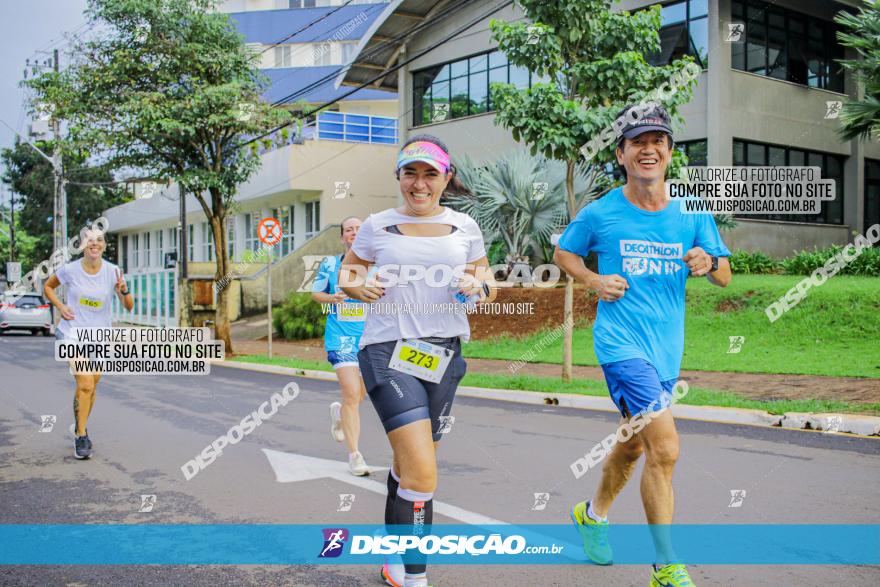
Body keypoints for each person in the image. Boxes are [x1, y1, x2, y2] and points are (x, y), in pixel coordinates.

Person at [555, 104, 731, 587]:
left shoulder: (693, 212)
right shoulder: (601, 212)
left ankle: (592, 514)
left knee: (633, 446)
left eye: (657, 141)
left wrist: (705, 261)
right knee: (667, 448)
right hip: (621, 344)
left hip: (666, 350)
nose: (647, 149)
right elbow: (564, 251)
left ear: (670, 152)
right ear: (622, 153)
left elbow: (724, 275)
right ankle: (665, 565)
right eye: (637, 142)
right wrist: (593, 279)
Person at [340, 134, 493, 587]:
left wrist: (477, 287)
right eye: (411, 173)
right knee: (424, 473)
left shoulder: (465, 226)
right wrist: (356, 287)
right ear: (399, 177)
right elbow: (350, 270)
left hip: (444, 353)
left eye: (430, 174)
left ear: (446, 178)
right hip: (388, 350)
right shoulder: (376, 224)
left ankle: (391, 553)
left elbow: (486, 278)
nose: (420, 184)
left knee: (409, 467)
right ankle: (415, 577)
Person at [44, 228, 134, 459]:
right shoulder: (70, 270)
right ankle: (81, 435)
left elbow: (129, 306)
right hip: (72, 334)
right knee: (85, 383)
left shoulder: (113, 271)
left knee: (91, 385)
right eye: (90, 240)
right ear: (82, 245)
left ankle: (78, 424)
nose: (95, 243)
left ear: (104, 245)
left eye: (99, 240)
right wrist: (61, 307)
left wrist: (124, 290)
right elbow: (48, 287)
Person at [311, 216, 370, 476]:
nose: (354, 233)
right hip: (341, 337)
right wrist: (331, 298)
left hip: (369, 338)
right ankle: (355, 455)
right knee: (350, 393)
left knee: (360, 395)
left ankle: (338, 414)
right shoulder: (331, 264)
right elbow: (316, 293)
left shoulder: (377, 265)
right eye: (349, 230)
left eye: (359, 229)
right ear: (342, 236)